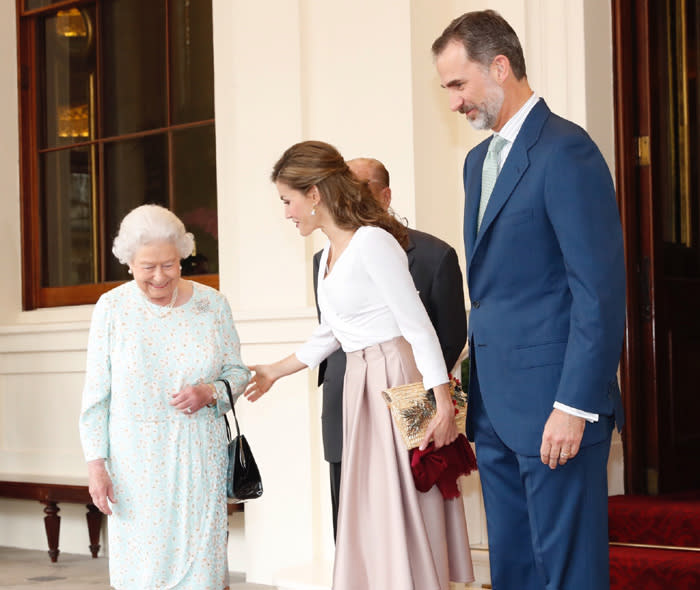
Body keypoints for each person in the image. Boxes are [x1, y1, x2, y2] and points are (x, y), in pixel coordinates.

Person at [432, 10, 626, 590]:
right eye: (446, 89)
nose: (454, 103)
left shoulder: (567, 150)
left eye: (458, 84)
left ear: (500, 66)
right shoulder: (476, 163)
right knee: (514, 569)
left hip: (555, 408)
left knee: (567, 573)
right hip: (495, 408)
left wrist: (575, 405)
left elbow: (598, 291)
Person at [245, 140, 474, 590]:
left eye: (287, 201)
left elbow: (418, 327)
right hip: (360, 384)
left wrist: (443, 403)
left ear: (314, 194)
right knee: (372, 502)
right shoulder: (327, 256)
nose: (287, 213)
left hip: (394, 377)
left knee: (404, 500)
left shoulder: (372, 242)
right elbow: (331, 333)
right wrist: (276, 370)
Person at [79, 204, 250, 590]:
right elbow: (96, 397)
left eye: (169, 265)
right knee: (142, 571)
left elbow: (238, 373)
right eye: (148, 267)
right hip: (134, 462)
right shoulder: (112, 309)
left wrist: (210, 392)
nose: (160, 277)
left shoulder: (212, 305)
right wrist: (96, 467)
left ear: (182, 256)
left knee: (202, 568)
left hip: (198, 457)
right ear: (129, 264)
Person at [312, 156, 467, 539]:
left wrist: (425, 401)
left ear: (385, 196)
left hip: (406, 407)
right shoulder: (323, 256)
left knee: (410, 531)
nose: (349, 198)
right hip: (344, 405)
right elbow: (331, 330)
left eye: (361, 189)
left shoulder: (435, 256)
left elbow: (447, 337)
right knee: (351, 532)